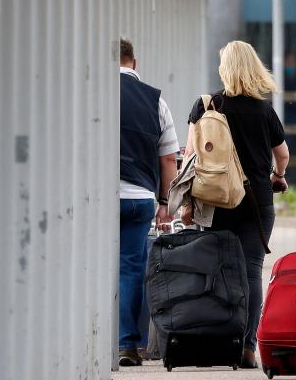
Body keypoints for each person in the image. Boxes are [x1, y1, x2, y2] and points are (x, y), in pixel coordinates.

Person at [183, 40, 290, 369]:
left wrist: (185, 203)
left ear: (224, 68)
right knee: (251, 273)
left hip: (214, 201)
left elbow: (189, 158)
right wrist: (278, 175)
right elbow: (283, 155)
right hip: (256, 202)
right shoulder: (264, 110)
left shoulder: (206, 106)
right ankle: (246, 347)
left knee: (215, 271)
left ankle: (216, 341)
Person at [118, 38, 179, 366]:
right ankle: (130, 345)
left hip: (99, 199)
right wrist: (165, 203)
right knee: (131, 268)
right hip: (141, 197)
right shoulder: (156, 100)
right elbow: (169, 158)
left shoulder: (91, 90)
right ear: (134, 63)